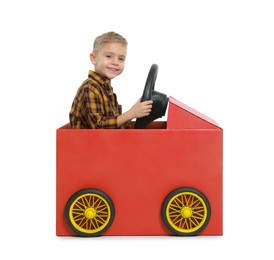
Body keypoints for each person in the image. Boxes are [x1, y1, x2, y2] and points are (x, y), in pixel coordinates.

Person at [69, 31, 153, 129]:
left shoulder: (106, 89)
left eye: (121, 59)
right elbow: (98, 127)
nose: (115, 62)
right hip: (87, 143)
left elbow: (115, 125)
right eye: (109, 56)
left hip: (105, 141)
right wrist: (131, 113)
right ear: (94, 58)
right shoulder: (90, 87)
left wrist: (136, 111)